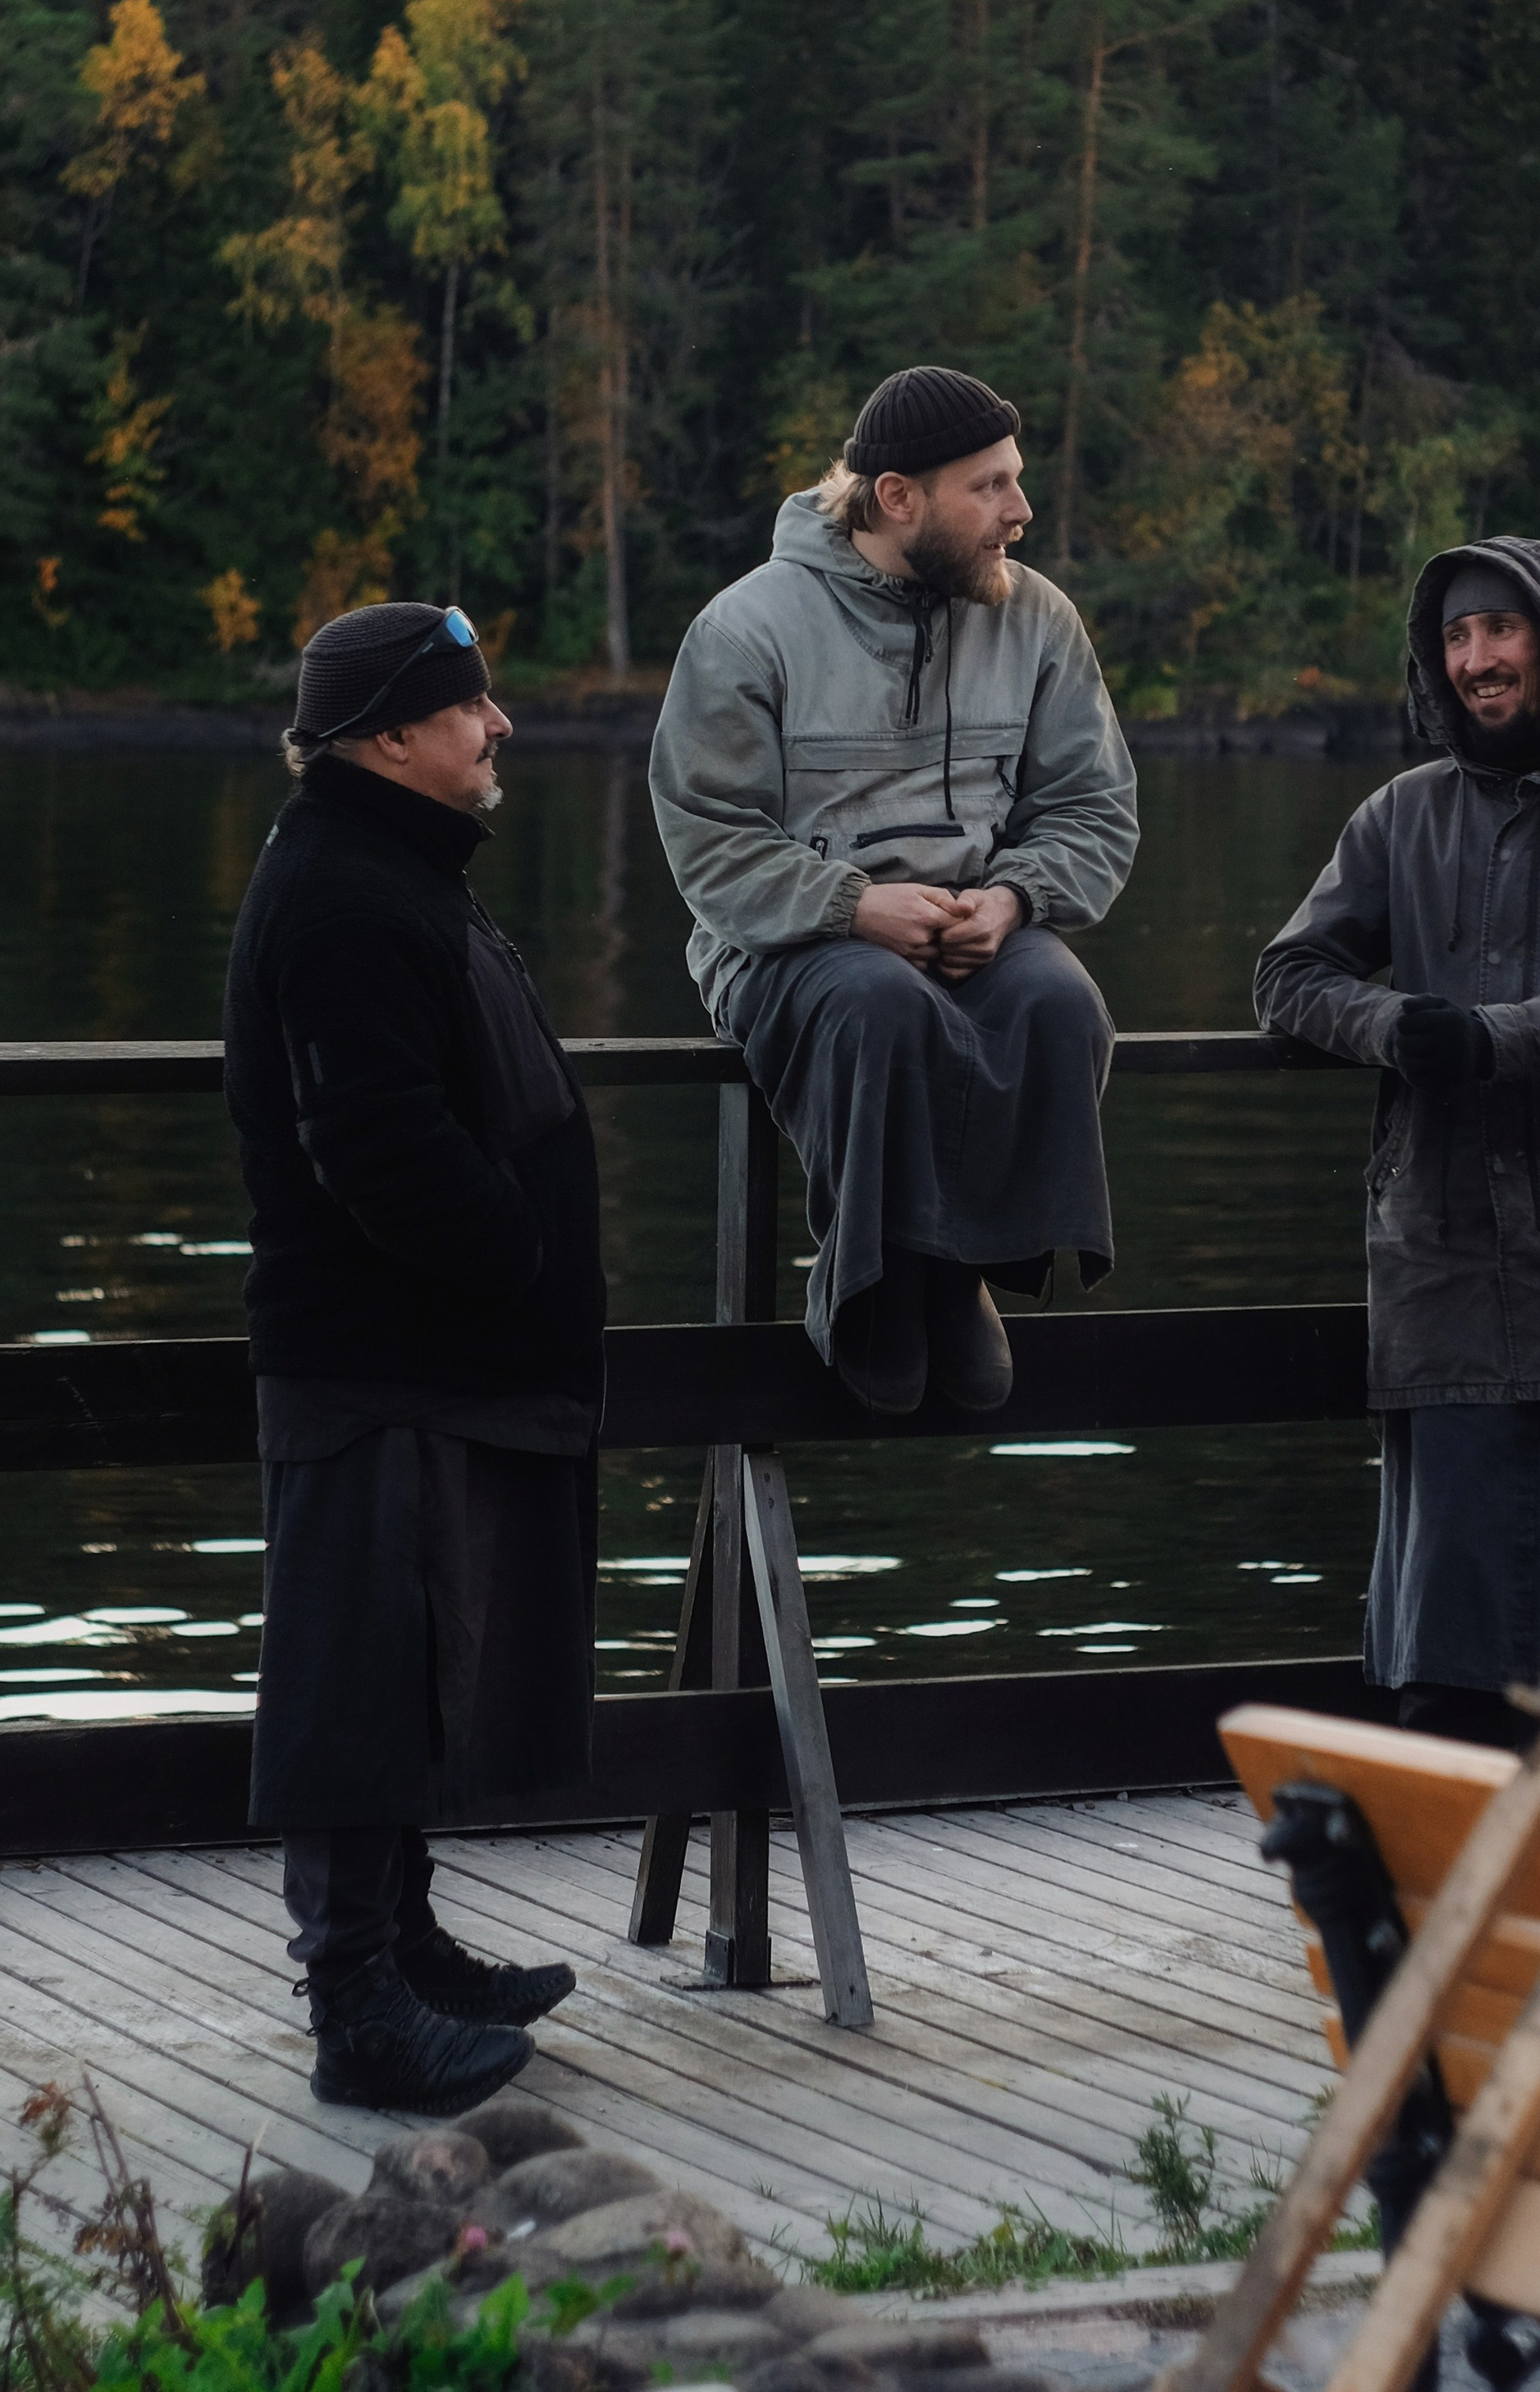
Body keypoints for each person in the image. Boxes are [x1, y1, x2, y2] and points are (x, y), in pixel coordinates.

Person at [224, 602, 605, 2115]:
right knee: (358, 1670)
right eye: (470, 706)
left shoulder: (385, 866)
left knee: (413, 1661)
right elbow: (375, 1140)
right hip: (373, 1357)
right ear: (390, 736)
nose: (498, 724)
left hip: (427, 1362)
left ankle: (407, 1942)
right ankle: (356, 2006)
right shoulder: (338, 894)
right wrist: (515, 1252)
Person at [1254, 540, 1540, 1749]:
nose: (1477, 660)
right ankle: (1446, 1904)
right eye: (1457, 639)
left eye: (1501, 631)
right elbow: (1289, 976)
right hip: (1445, 1268)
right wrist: (1395, 1026)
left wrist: (1490, 1039)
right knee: (1449, 1657)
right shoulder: (1398, 816)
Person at [651, 366, 1139, 1416]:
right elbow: (708, 839)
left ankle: (956, 1271)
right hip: (788, 942)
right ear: (898, 498)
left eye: (1016, 481)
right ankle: (867, 1283)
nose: (1021, 510)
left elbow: (1094, 811)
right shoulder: (744, 629)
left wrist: (1009, 901)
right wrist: (854, 907)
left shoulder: (1038, 619)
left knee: (1063, 1005)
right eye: (991, 486)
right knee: (881, 1006)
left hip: (979, 920)